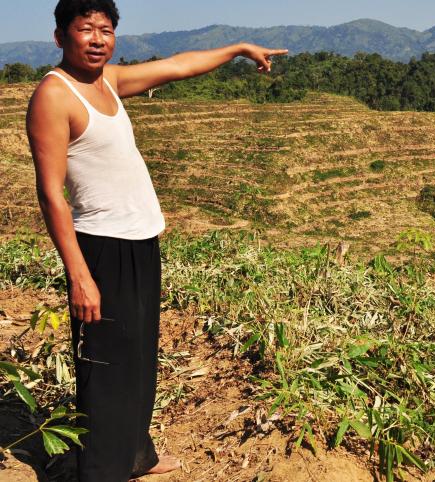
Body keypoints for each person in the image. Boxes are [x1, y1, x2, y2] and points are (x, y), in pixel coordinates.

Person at [25, 1, 288, 480]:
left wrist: (237, 49)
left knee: (139, 359)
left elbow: (177, 66)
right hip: (101, 247)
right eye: (86, 29)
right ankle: (101, 471)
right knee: (105, 365)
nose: (98, 39)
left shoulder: (108, 81)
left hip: (140, 240)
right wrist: (79, 275)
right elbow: (50, 194)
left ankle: (135, 456)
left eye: (106, 30)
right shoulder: (55, 95)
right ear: (61, 36)